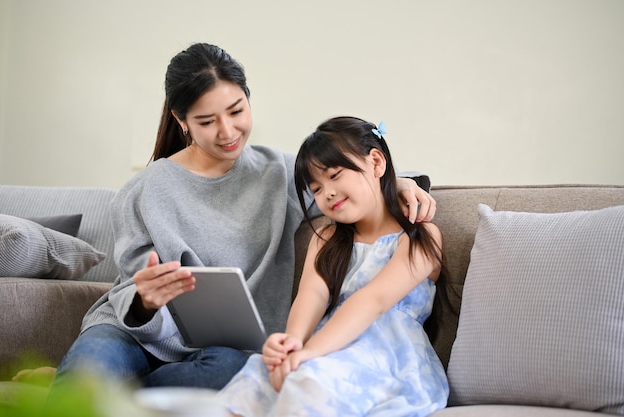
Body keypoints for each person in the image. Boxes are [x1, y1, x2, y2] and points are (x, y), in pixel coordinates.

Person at [48, 43, 436, 393]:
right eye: (207, 121)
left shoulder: (280, 173)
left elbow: (353, 184)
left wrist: (402, 184)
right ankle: (91, 384)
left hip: (224, 353)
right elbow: (131, 295)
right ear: (181, 121)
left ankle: (104, 392)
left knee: (236, 374)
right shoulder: (144, 190)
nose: (228, 131)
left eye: (236, 111)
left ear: (248, 100)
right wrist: (145, 302)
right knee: (81, 388)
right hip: (133, 333)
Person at [218, 116, 448, 416]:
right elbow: (311, 296)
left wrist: (310, 352)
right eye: (315, 188)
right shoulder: (326, 237)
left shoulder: (419, 234)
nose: (326, 192)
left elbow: (373, 301)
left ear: (376, 163)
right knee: (256, 376)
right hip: (328, 344)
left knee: (309, 381)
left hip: (387, 356)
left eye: (335, 175)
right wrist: (292, 344)